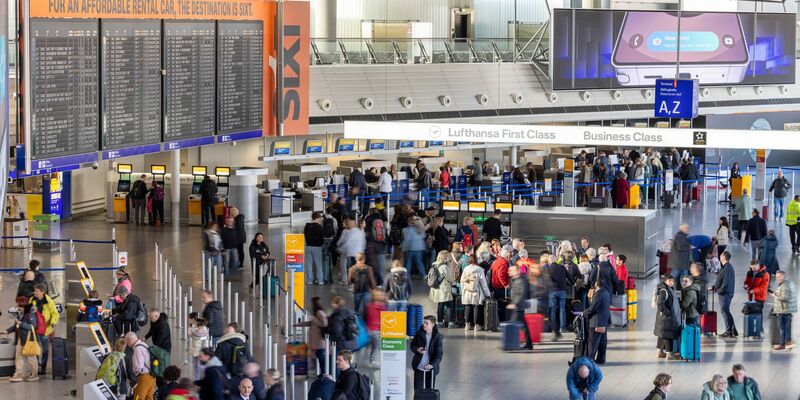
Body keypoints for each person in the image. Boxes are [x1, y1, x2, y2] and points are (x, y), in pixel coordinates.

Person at [2, 297, 39, 382]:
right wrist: (7, 331)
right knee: (18, 356)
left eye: (18, 305)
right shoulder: (19, 313)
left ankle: (34, 374)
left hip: (28, 339)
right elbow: (16, 326)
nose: (17, 306)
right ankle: (18, 374)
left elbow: (32, 326)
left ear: (22, 305)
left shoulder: (31, 313)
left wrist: (21, 323)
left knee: (31, 356)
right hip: (20, 338)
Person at [410, 316, 443, 391]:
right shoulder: (419, 334)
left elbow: (439, 354)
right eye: (424, 322)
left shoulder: (438, 337)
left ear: (433, 324)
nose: (424, 325)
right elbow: (412, 345)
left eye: (427, 323)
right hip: (419, 366)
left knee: (429, 391)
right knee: (418, 390)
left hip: (431, 369)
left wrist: (432, 364)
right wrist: (417, 349)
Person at [711, 251, 738, 338]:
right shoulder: (725, 267)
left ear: (724, 257)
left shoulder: (727, 268)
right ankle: (733, 330)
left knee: (725, 311)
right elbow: (721, 280)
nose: (720, 255)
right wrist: (714, 287)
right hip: (724, 293)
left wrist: (719, 291)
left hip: (725, 293)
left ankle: (729, 331)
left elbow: (726, 283)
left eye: (721, 255)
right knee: (726, 311)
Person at [654, 275, 681, 360]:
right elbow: (660, 304)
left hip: (663, 319)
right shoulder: (664, 291)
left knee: (662, 335)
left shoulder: (669, 289)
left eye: (672, 281)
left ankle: (659, 352)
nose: (671, 283)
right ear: (665, 281)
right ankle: (669, 354)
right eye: (669, 281)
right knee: (668, 335)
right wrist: (668, 313)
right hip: (665, 318)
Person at [461, 256, 491, 332]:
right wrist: (487, 294)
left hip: (467, 291)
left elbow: (462, 281)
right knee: (476, 307)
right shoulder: (479, 269)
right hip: (476, 291)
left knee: (468, 306)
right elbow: (483, 283)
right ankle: (476, 326)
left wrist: (463, 290)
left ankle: (467, 325)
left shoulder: (466, 269)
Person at [584, 279, 610, 365]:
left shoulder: (598, 293)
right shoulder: (606, 293)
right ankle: (601, 359)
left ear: (596, 284)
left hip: (596, 322)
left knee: (592, 341)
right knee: (602, 342)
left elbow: (593, 307)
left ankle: (590, 359)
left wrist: (584, 313)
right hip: (604, 321)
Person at [549, 254, 575, 339]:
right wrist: (573, 283)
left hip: (552, 291)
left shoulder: (548, 269)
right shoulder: (562, 267)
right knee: (562, 309)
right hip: (562, 291)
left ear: (550, 261)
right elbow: (570, 278)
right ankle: (562, 328)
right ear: (556, 260)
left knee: (552, 310)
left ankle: (554, 329)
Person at [507, 264, 533, 349]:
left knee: (513, 325)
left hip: (519, 306)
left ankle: (511, 343)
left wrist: (515, 303)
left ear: (518, 271)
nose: (509, 272)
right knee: (522, 326)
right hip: (517, 306)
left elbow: (521, 294)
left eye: (512, 270)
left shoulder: (522, 280)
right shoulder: (514, 280)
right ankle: (528, 344)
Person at [771, 270, 797, 351]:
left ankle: (782, 344)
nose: (777, 278)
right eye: (776, 277)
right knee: (786, 328)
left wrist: (774, 296)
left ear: (783, 276)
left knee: (782, 328)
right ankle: (788, 344)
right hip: (786, 310)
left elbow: (784, 298)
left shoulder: (784, 286)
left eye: (779, 277)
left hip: (783, 310)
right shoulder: (786, 284)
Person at [127, 332, 156, 400]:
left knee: (139, 397)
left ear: (130, 340)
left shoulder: (137, 349)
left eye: (127, 342)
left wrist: (135, 373)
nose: (127, 344)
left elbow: (138, 366)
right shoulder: (143, 344)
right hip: (152, 375)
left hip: (144, 376)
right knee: (148, 397)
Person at [429, 251, 455, 327]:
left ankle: (439, 322)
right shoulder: (444, 267)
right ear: (445, 257)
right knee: (450, 305)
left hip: (436, 288)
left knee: (440, 305)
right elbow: (449, 278)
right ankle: (451, 323)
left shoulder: (434, 265)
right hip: (444, 289)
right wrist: (453, 281)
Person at [337, 217, 366, 284]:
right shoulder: (358, 231)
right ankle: (353, 282)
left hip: (348, 252)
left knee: (346, 266)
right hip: (355, 253)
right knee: (353, 268)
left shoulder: (346, 231)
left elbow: (343, 241)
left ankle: (347, 281)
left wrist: (338, 246)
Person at [365, 290, 387, 363]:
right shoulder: (383, 307)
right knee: (376, 345)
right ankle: (372, 359)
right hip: (377, 329)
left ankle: (372, 359)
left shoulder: (369, 305)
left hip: (370, 329)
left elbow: (365, 316)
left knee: (375, 345)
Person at [490, 249, 511, 321]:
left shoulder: (496, 261)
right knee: (502, 306)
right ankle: (502, 321)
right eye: (509, 256)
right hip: (500, 288)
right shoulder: (504, 263)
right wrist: (505, 285)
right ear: (507, 256)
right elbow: (501, 275)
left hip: (495, 286)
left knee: (498, 306)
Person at [305, 212, 325, 285]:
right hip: (317, 247)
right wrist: (321, 244)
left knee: (309, 264)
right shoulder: (319, 227)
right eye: (319, 218)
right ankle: (320, 280)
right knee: (318, 264)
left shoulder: (307, 226)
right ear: (316, 218)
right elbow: (321, 237)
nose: (320, 220)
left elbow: (305, 235)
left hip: (308, 246)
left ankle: (310, 280)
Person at [188, 313, 209, 380]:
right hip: (201, 350)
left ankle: (197, 379)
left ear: (193, 319)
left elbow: (191, 334)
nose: (189, 321)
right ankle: (201, 378)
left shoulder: (194, 327)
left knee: (196, 365)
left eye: (189, 319)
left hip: (196, 350)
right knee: (201, 365)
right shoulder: (203, 327)